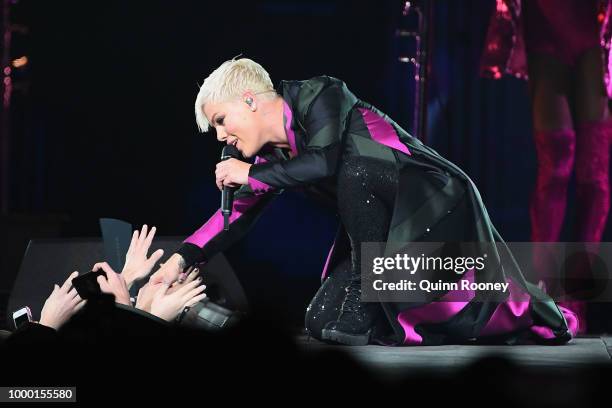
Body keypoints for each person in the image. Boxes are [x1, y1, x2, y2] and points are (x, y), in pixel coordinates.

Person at [150, 57, 577, 346]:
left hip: (432, 200)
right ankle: (392, 300)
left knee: (353, 170)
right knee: (320, 324)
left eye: (221, 120)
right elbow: (236, 214)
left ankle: (370, 295)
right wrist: (181, 260)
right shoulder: (269, 158)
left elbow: (326, 162)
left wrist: (250, 174)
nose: (222, 137)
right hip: (385, 236)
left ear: (248, 99)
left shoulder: (319, 94)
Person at [481, 0, 612, 333]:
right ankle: (541, 296)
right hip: (547, 24)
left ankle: (577, 298)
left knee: (592, 174)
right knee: (555, 166)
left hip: (595, 28)